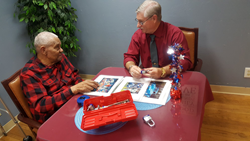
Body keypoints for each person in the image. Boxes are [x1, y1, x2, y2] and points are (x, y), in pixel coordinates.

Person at [20, 31, 99, 124]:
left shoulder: (59, 58)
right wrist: (72, 90)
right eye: (57, 47)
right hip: (52, 116)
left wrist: (82, 86)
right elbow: (41, 105)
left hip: (72, 102)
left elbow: (74, 74)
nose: (61, 50)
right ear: (43, 50)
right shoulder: (29, 74)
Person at [124, 0, 192, 79]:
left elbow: (185, 61)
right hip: (147, 79)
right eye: (137, 21)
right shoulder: (138, 35)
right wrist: (131, 67)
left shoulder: (175, 34)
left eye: (141, 22)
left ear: (154, 18)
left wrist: (163, 71)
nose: (138, 25)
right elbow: (129, 57)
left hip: (170, 78)